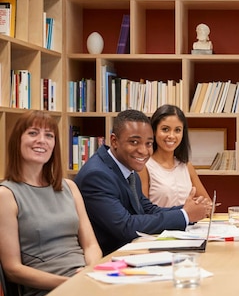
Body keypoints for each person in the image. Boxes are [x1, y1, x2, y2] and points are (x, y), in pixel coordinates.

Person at [0, 111, 102, 296]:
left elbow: (91, 245)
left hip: (86, 280)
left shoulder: (69, 187)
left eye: (49, 135)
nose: (41, 141)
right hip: (48, 293)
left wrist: (89, 272)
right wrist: (68, 284)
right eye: (33, 133)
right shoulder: (6, 195)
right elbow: (12, 269)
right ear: (17, 140)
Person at [74, 109, 211, 255]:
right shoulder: (97, 175)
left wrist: (187, 210)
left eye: (148, 144)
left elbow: (147, 209)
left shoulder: (127, 169)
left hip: (134, 250)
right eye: (134, 142)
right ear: (114, 141)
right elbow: (125, 227)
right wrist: (185, 215)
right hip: (110, 259)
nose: (143, 151)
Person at [139, 104, 211, 207]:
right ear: (154, 131)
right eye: (165, 129)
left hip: (189, 223)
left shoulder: (186, 166)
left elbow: (209, 205)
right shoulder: (144, 167)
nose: (171, 136)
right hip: (161, 223)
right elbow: (143, 212)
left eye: (177, 130)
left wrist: (201, 206)